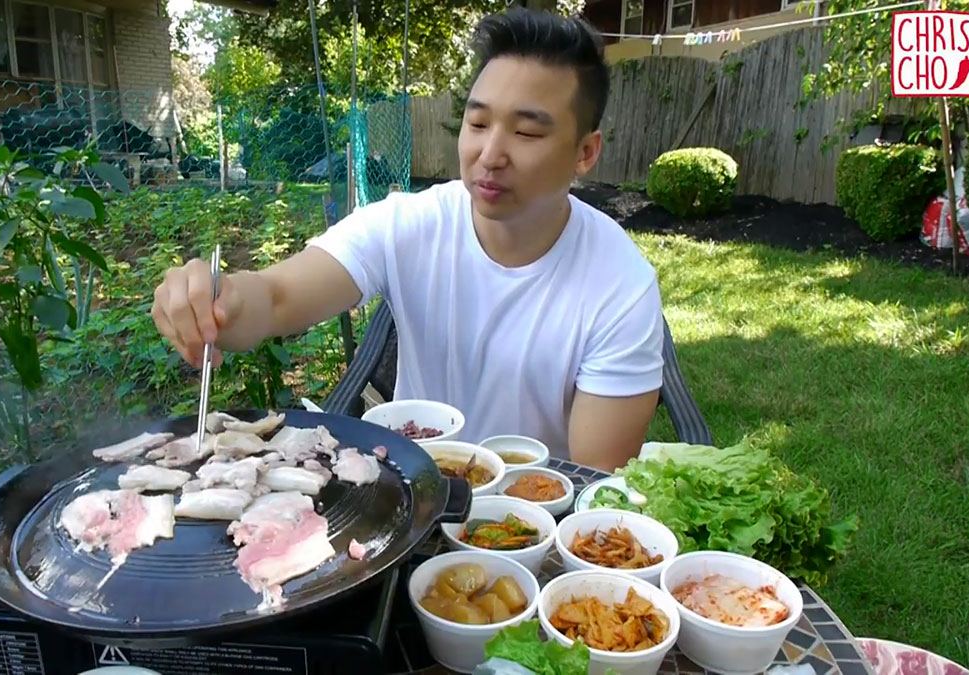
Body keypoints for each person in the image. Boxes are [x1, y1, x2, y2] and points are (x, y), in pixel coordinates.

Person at [152, 7, 664, 471]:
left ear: (585, 152)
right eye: (478, 121)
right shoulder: (409, 225)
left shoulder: (619, 284)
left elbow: (595, 477)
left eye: (527, 133)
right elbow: (278, 296)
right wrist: (221, 304)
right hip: (410, 504)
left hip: (530, 534)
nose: (490, 153)